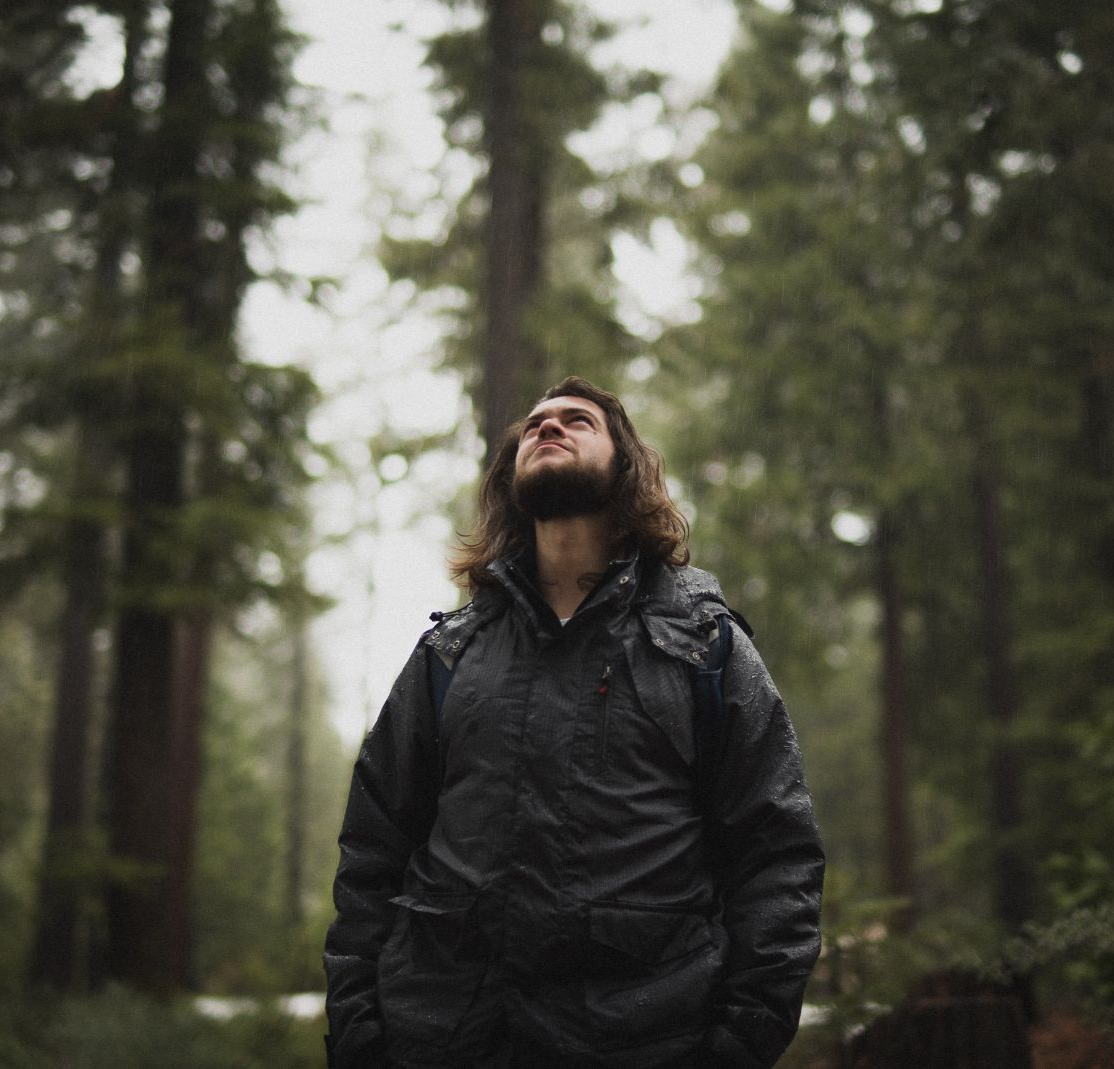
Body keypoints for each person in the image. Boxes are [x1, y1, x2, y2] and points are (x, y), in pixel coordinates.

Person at [324, 377, 825, 1068]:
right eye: (534, 424)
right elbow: (374, 850)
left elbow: (778, 854)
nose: (547, 427)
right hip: (445, 1042)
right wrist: (359, 1028)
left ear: (625, 468)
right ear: (511, 477)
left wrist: (742, 1040)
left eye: (577, 420)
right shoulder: (449, 654)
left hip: (647, 1043)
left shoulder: (703, 646)